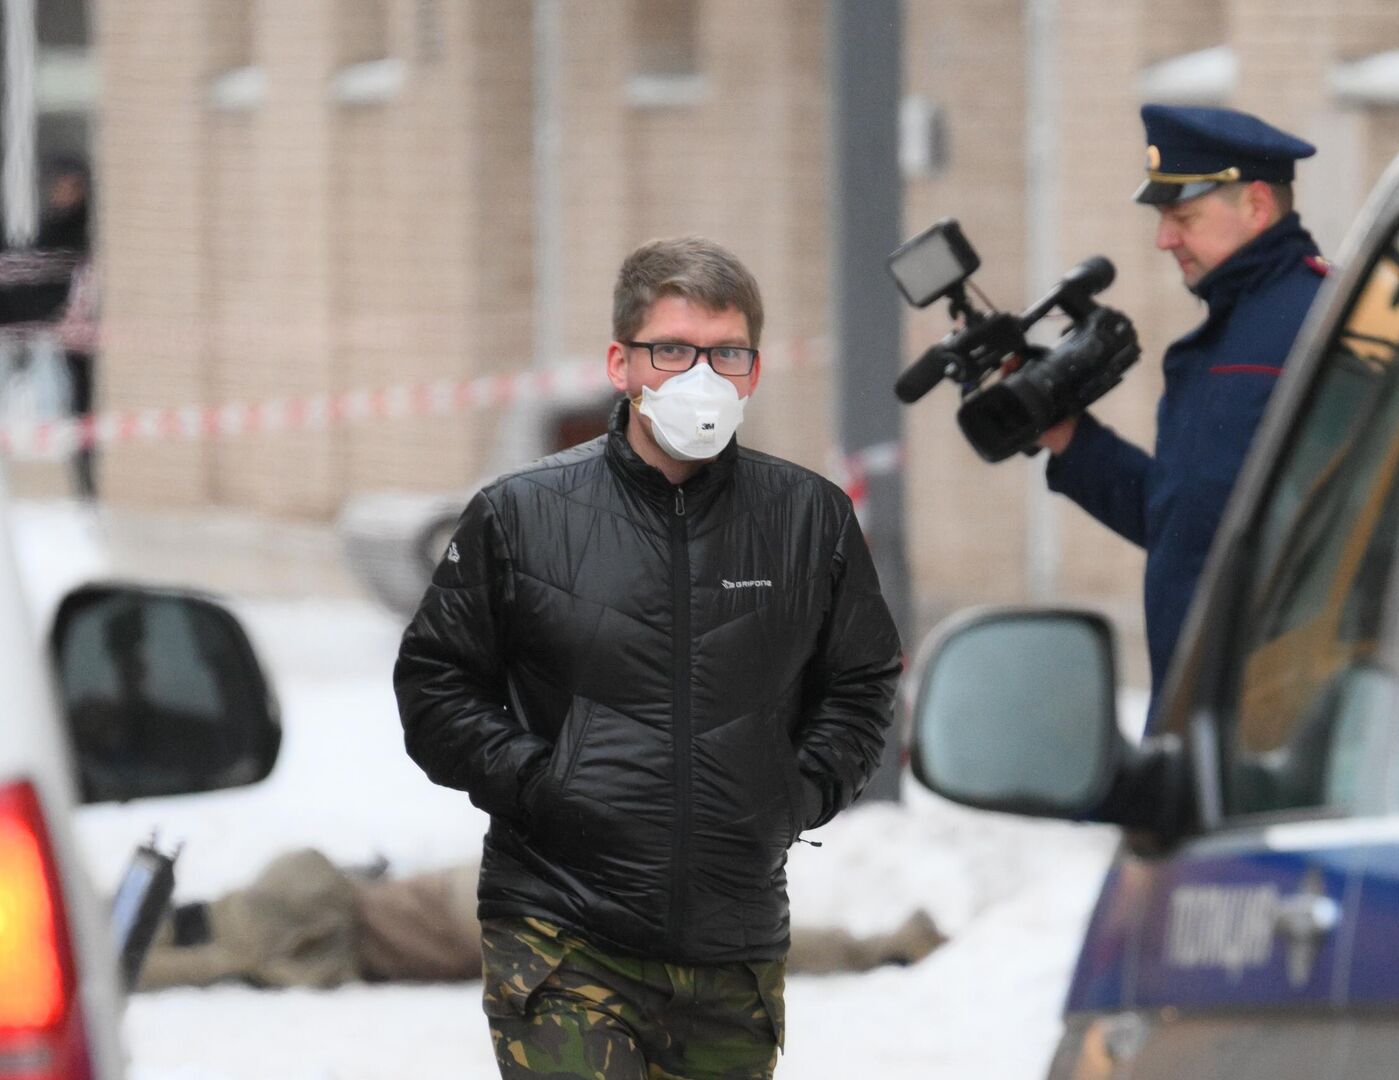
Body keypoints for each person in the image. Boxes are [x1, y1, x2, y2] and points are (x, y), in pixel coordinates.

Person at [394, 236, 902, 1080]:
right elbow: (437, 683)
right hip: (562, 934)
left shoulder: (808, 519)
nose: (700, 376)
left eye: (726, 353)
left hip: (731, 949)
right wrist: (537, 781)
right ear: (621, 364)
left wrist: (797, 792)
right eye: (671, 351)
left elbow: (862, 680)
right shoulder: (521, 518)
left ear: (754, 369)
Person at [1039, 105, 1329, 704]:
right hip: (1199, 716)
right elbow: (1188, 525)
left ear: (1255, 205)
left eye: (1183, 216)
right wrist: (1070, 437)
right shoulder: (1217, 342)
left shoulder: (1323, 327)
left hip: (1272, 718)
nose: (1164, 239)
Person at [138, 850, 945, 992]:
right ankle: (876, 950)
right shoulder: (273, 919)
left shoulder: (271, 924)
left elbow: (185, 963)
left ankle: (875, 950)